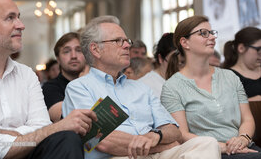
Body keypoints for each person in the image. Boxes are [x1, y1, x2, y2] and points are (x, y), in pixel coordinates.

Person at [62, 15, 221, 159]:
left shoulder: (140, 88)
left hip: (157, 153)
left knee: (207, 143)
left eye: (127, 41)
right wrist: (160, 144)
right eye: (118, 41)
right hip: (117, 157)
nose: (126, 46)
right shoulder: (79, 88)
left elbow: (173, 131)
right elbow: (102, 141)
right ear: (95, 49)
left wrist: (155, 136)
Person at [0, 0, 97, 159]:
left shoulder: (26, 75)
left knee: (66, 139)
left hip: (30, 154)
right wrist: (36, 133)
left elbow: (43, 129)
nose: (21, 25)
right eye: (10, 18)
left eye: (18, 17)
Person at [161, 15, 261, 159]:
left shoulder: (230, 77)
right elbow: (182, 134)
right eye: (203, 33)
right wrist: (223, 147)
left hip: (243, 148)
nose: (212, 37)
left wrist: (243, 139)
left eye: (212, 33)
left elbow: (247, 119)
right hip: (208, 153)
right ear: (185, 42)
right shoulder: (172, 87)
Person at [42, 32, 86, 122]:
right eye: (66, 51)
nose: (73, 56)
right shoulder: (50, 87)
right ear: (58, 59)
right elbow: (66, 119)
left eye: (79, 50)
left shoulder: (97, 81)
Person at [222, 27, 261, 101]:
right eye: (258, 49)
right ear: (241, 48)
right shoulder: (227, 77)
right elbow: (224, 105)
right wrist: (251, 102)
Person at [138, 33, 175, 98]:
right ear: (160, 58)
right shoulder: (145, 85)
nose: (178, 66)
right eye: (173, 60)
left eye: (182, 62)